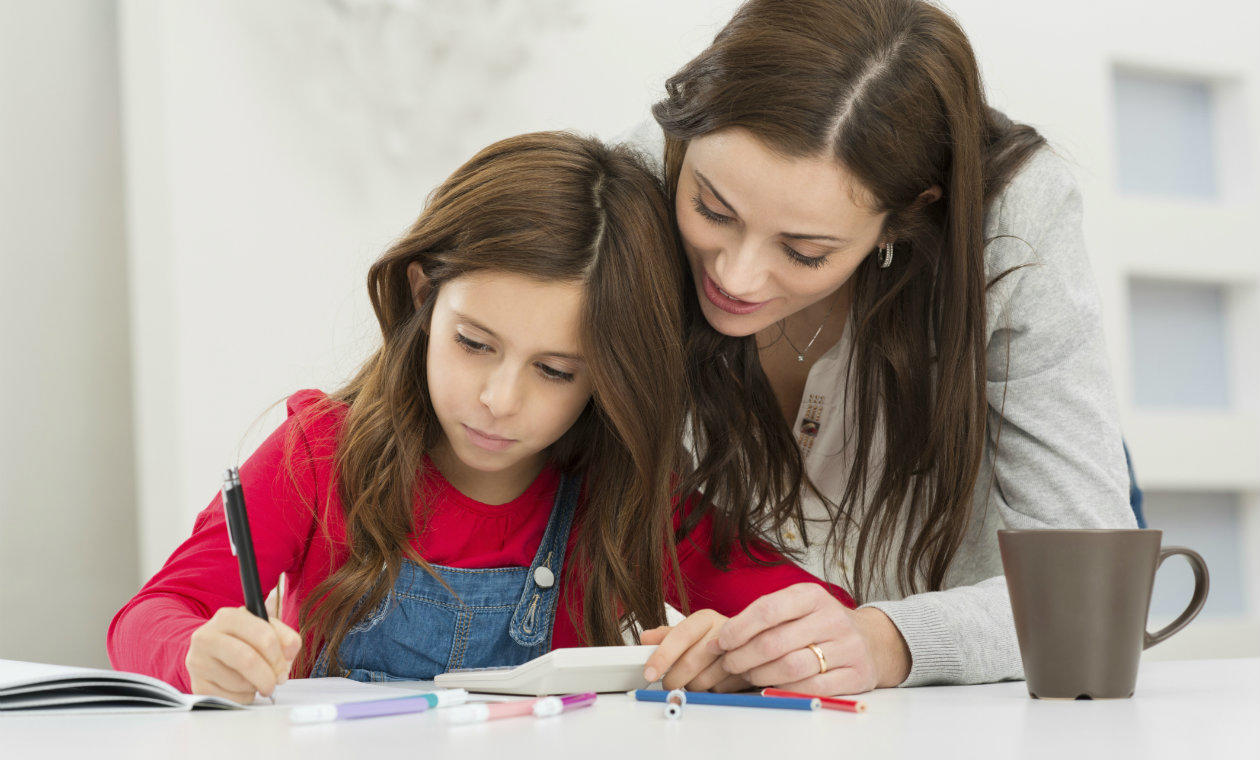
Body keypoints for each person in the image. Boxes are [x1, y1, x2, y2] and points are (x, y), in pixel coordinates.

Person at [107, 132, 853, 703]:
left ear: (611, 379)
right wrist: (199, 654)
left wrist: (738, 651)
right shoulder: (319, 453)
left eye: (556, 371)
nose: (500, 399)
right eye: (473, 343)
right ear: (423, 295)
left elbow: (827, 623)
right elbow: (151, 615)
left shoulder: (628, 494)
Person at [636, 0, 1135, 694]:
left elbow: (1087, 590)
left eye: (805, 250)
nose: (735, 276)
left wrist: (884, 642)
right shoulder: (635, 190)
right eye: (713, 211)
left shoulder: (1010, 222)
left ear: (904, 219)